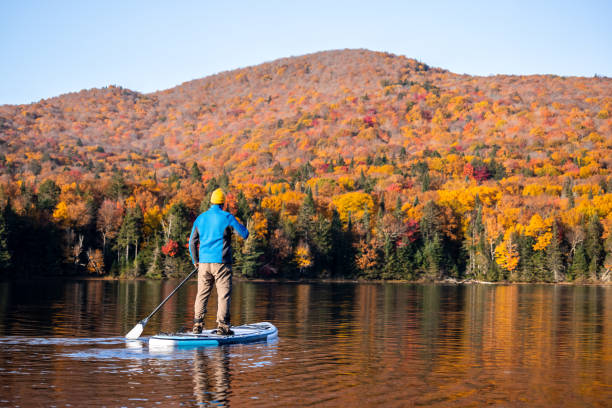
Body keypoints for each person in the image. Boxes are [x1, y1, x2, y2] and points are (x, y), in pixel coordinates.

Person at [189, 188, 249, 335]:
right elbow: (245, 234)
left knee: (201, 294)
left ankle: (197, 326)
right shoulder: (227, 217)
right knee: (223, 295)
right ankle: (223, 327)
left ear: (210, 202)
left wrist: (195, 261)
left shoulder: (200, 218)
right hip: (221, 263)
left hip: (203, 264)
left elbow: (192, 242)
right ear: (223, 203)